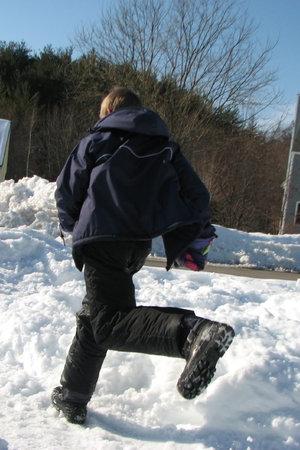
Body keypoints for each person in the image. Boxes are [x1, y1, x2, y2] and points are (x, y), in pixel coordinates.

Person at [51, 87, 235, 425]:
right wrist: (198, 234)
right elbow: (197, 195)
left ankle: (192, 334)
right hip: (137, 245)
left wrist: (73, 226)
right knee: (96, 313)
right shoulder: (164, 147)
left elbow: (67, 191)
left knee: (109, 321)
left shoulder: (97, 141)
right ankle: (73, 395)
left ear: (108, 111)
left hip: (101, 238)